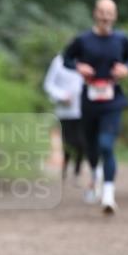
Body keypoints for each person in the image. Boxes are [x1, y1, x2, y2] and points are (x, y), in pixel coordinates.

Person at [63, 0, 128, 213]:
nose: (105, 17)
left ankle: (109, 196)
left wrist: (126, 69)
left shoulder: (122, 39)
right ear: (95, 13)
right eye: (102, 12)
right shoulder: (83, 40)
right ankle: (95, 174)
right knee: (91, 147)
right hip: (90, 99)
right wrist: (78, 66)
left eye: (109, 13)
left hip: (113, 99)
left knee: (106, 145)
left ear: (115, 15)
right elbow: (66, 58)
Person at [43, 52, 85, 183]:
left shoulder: (88, 58)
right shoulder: (59, 61)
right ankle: (64, 170)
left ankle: (77, 171)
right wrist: (62, 95)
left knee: (81, 142)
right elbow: (49, 84)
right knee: (68, 141)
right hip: (65, 110)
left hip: (85, 109)